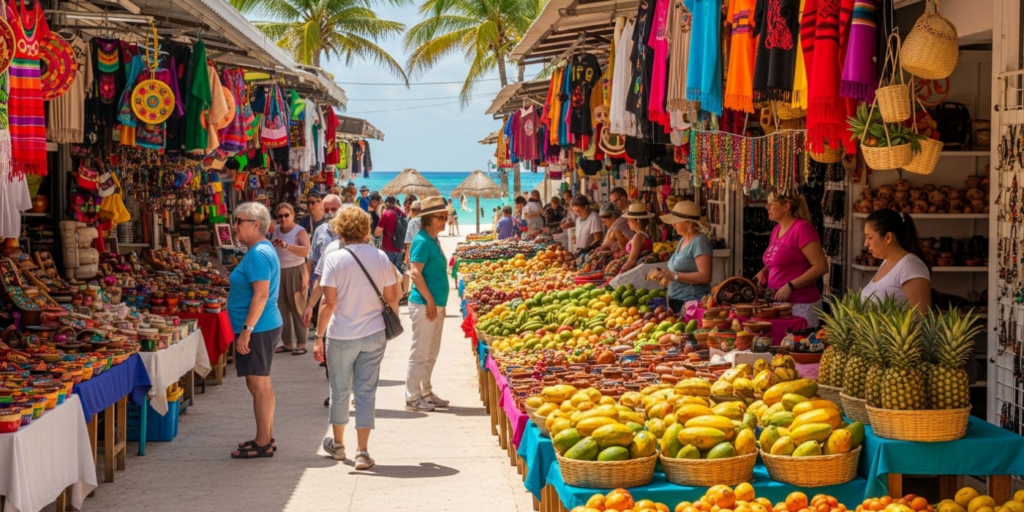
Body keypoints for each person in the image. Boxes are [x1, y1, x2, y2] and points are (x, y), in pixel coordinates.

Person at [313, 206, 399, 470]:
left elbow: (328, 303)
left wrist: (318, 337)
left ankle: (338, 446)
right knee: (365, 393)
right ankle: (362, 452)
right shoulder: (381, 257)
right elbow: (393, 298)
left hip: (341, 335)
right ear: (365, 228)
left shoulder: (335, 259)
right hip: (373, 334)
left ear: (339, 229)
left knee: (339, 391)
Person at [227, 202, 282, 458]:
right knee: (262, 384)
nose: (234, 226)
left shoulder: (259, 252)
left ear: (256, 224)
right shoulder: (260, 250)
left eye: (239, 221)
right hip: (263, 326)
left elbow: (260, 295)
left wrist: (246, 330)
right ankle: (265, 437)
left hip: (258, 328)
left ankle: (262, 442)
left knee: (258, 385)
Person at [754, 193, 830, 327]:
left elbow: (821, 267)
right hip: (779, 305)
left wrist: (790, 286)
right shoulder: (777, 229)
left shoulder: (802, 228)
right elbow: (778, 260)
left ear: (786, 207)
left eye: (772, 204)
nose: (767, 207)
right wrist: (764, 271)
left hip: (802, 305)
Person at [405, 196, 451, 412]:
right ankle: (412, 398)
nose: (445, 220)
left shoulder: (433, 240)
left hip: (435, 305)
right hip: (424, 305)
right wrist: (431, 300)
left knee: (432, 352)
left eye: (446, 216)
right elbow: (415, 272)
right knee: (420, 352)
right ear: (427, 219)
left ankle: (426, 392)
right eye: (440, 217)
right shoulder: (421, 241)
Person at [860, 209, 932, 313]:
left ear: (888, 237)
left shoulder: (910, 266)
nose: (866, 243)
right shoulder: (886, 262)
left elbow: (921, 314)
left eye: (870, 237)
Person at [652, 201, 713, 313]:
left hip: (692, 303)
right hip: (677, 301)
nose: (673, 225)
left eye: (676, 221)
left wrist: (674, 276)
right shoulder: (683, 240)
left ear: (688, 223)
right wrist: (666, 276)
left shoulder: (700, 242)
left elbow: (705, 277)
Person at [270, 203, 311, 355]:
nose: (283, 218)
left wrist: (287, 245)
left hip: (295, 270)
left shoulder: (299, 231)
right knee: (282, 309)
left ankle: (302, 343)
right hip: (279, 271)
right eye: (280, 216)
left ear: (293, 215)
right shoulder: (276, 230)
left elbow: (306, 251)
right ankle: (287, 342)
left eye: (286, 215)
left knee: (297, 307)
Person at [620, 203, 655, 274]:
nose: (627, 222)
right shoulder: (644, 234)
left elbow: (632, 262)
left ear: (636, 220)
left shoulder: (638, 236)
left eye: (629, 220)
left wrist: (620, 274)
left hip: (637, 271)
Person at [375, 196, 406, 270]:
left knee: (387, 272)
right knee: (398, 272)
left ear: (386, 204)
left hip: (389, 248)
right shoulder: (401, 213)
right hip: (400, 248)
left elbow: (377, 232)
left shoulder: (387, 214)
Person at [402, 201, 423, 306]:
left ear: (412, 211)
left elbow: (409, 240)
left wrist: (406, 257)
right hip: (427, 251)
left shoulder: (412, 222)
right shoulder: (427, 220)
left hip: (416, 252)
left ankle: (416, 298)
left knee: (415, 275)